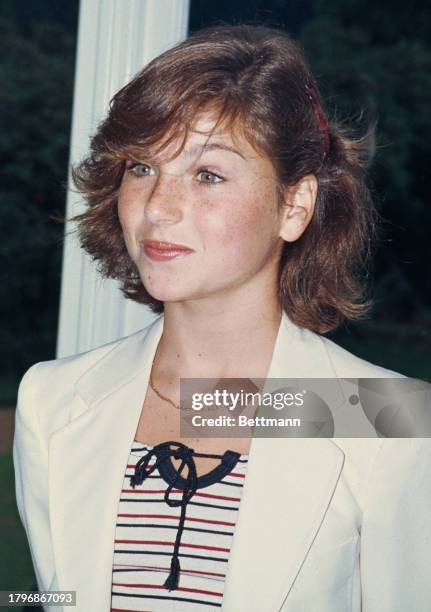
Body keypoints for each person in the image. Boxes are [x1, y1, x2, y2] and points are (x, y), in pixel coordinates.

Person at [13, 24, 431, 612]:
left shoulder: (383, 419)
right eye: (141, 167)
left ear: (294, 207)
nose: (158, 206)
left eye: (208, 175)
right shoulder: (54, 402)